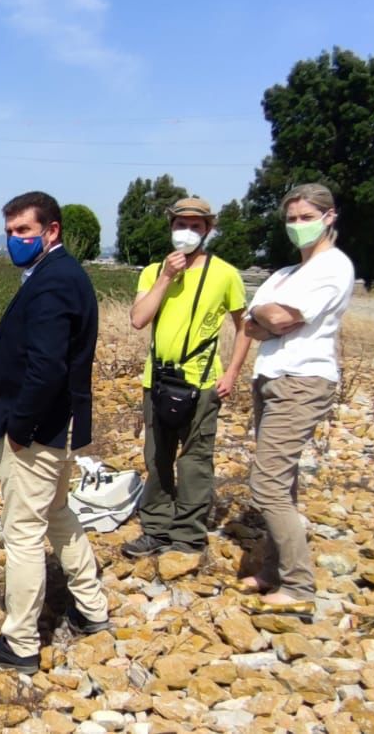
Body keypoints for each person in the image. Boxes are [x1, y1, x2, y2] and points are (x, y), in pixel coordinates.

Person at [0, 191, 110, 674]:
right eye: (9, 232)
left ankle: (21, 643)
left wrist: (20, 428)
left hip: (40, 431)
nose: (15, 240)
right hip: (58, 426)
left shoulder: (54, 283)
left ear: (51, 231)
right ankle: (92, 608)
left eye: (24, 231)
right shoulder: (60, 274)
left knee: (23, 532)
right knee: (57, 513)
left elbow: (46, 368)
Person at [235, 183, 354, 621]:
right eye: (292, 218)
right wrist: (267, 316)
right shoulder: (285, 274)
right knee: (280, 482)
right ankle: (272, 570)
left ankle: (300, 584)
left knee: (266, 484)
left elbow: (281, 318)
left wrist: (269, 315)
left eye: (307, 217)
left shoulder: (333, 268)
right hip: (271, 377)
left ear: (329, 217)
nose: (298, 225)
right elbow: (252, 323)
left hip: (302, 380)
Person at [122, 198, 251, 559]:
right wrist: (166, 277)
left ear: (208, 229)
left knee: (195, 459)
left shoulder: (225, 273)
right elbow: (138, 319)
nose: (188, 232)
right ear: (171, 227)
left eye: (196, 226)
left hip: (203, 381)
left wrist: (233, 372)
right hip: (159, 378)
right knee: (157, 457)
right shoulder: (153, 271)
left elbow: (245, 327)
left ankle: (189, 536)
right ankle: (157, 529)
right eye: (182, 224)